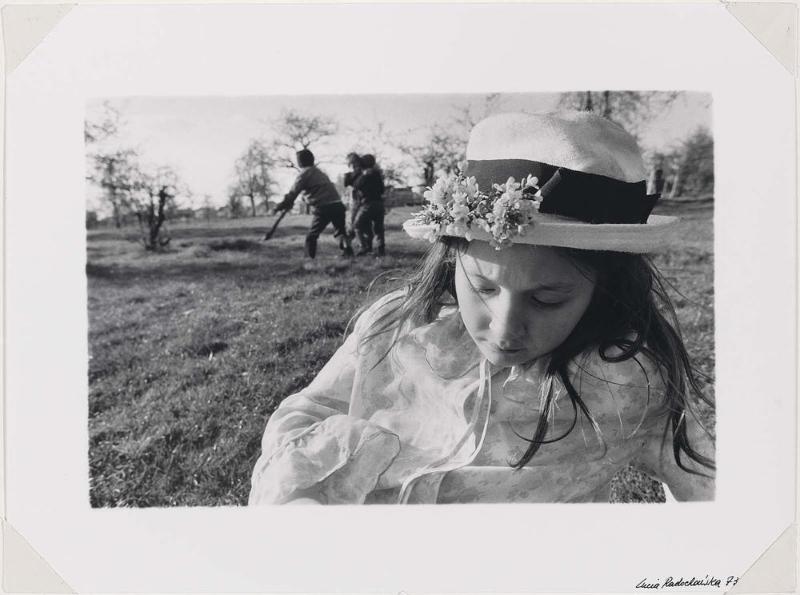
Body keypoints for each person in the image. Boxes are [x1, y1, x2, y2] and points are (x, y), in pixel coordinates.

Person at [249, 112, 715, 505]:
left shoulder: (631, 380)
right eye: (484, 287)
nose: (505, 328)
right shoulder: (396, 327)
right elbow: (308, 411)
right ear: (451, 260)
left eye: (547, 299)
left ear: (606, 288)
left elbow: (712, 488)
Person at [273, 149, 353, 259]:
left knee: (312, 236)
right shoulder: (320, 172)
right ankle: (348, 253)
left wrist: (281, 205)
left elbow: (293, 192)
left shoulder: (304, 174)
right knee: (340, 232)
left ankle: (308, 259)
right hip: (338, 205)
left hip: (324, 207)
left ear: (299, 162)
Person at [353, 154, 386, 256]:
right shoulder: (378, 174)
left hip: (368, 204)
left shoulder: (365, 175)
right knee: (379, 228)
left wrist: (360, 174)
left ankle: (364, 247)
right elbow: (382, 189)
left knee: (357, 225)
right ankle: (381, 250)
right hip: (379, 204)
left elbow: (356, 185)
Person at [343, 152, 365, 246]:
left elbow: (348, 182)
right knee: (354, 223)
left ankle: (349, 246)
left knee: (352, 224)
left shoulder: (359, 173)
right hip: (355, 200)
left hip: (358, 201)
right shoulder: (357, 173)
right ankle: (362, 245)